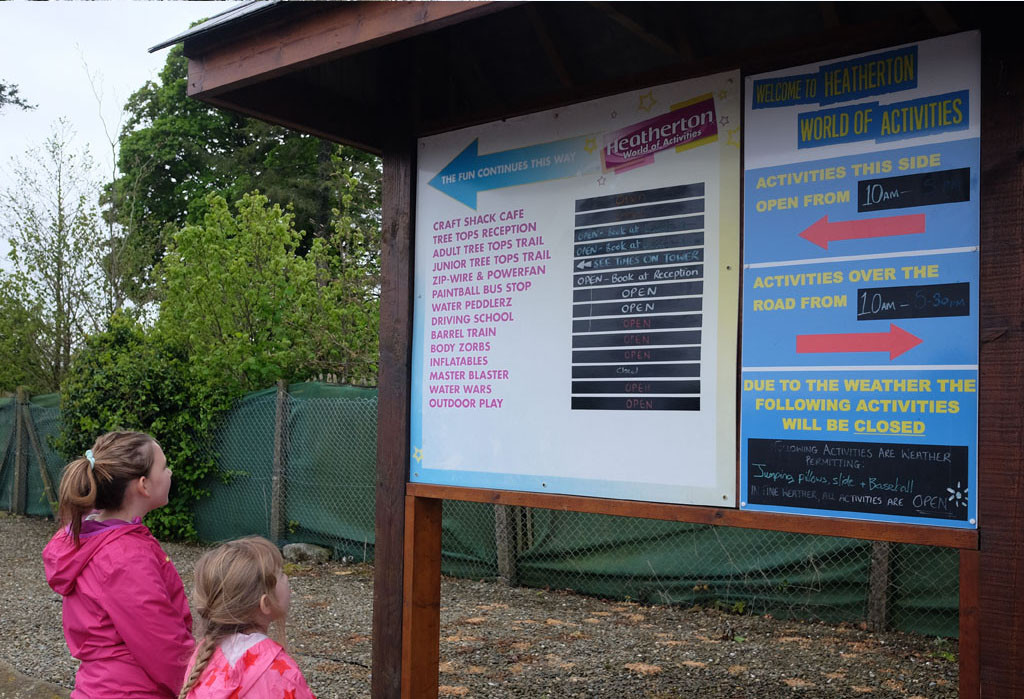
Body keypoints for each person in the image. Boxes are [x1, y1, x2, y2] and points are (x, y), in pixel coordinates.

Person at [42, 431, 194, 698]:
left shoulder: (94, 538)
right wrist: (198, 686)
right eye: (164, 467)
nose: (169, 472)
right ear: (144, 485)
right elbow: (162, 645)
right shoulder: (124, 557)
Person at [178, 537, 316, 699]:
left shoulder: (203, 655)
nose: (286, 577)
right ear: (265, 603)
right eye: (280, 573)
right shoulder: (281, 671)